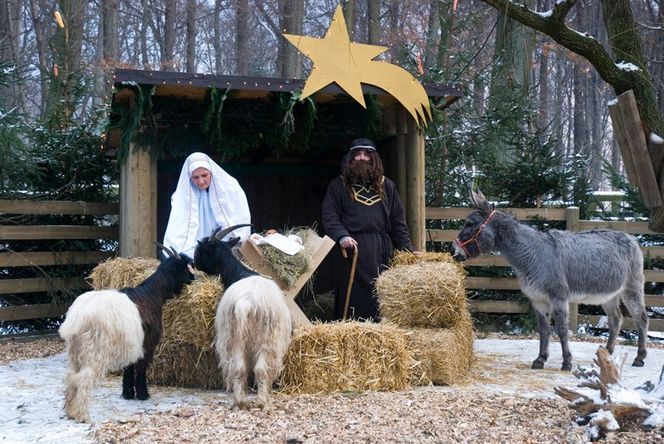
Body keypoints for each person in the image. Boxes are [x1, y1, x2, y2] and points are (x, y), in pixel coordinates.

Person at [322, 138, 416, 320]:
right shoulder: (338, 185)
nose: (362, 158)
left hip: (381, 251)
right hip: (352, 252)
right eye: (357, 154)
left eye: (366, 154)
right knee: (353, 302)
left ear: (374, 158)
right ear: (350, 158)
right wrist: (342, 236)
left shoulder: (387, 185)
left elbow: (398, 223)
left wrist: (408, 250)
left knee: (379, 296)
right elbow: (330, 217)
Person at [162, 152, 251, 258]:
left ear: (211, 172)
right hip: (195, 247)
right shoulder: (180, 197)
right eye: (195, 177)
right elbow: (178, 228)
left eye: (204, 175)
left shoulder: (231, 188)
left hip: (224, 244)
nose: (201, 181)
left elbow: (240, 220)